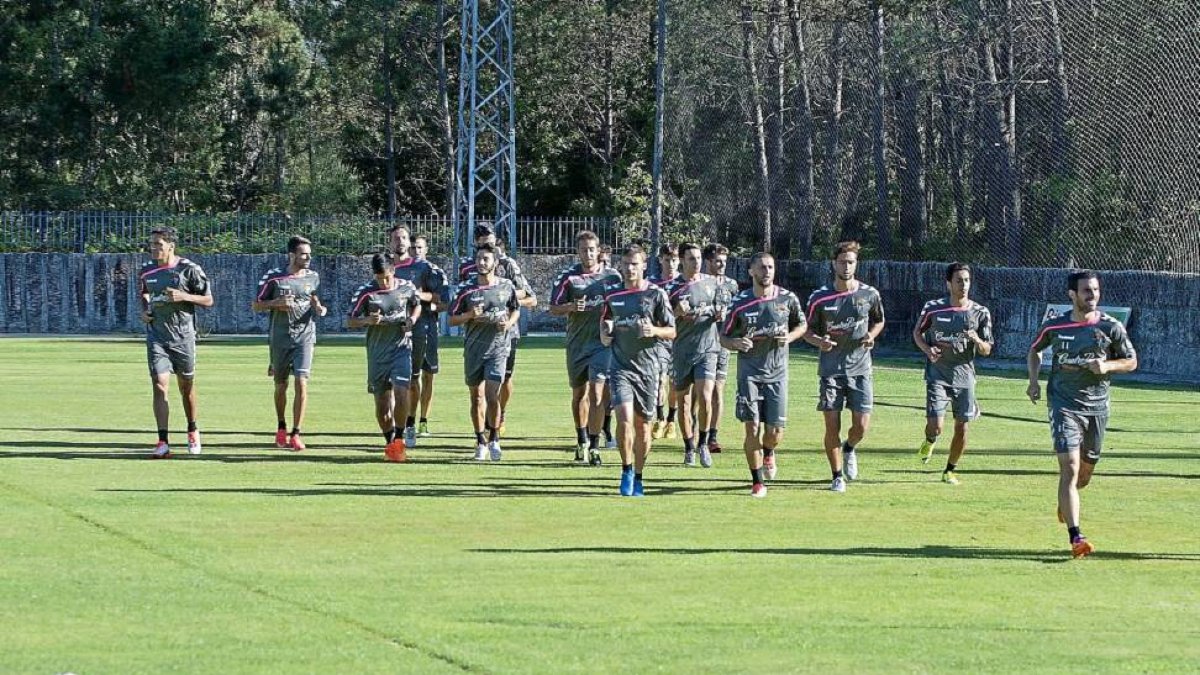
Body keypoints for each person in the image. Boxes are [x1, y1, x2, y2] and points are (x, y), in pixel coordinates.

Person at [1027, 270, 1137, 559]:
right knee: (1070, 468)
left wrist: (1107, 366)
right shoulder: (1055, 326)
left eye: (1096, 290)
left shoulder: (1110, 327)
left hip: (1097, 407)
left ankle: (1067, 502)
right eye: (1086, 290)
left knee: (1084, 475)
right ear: (1072, 295)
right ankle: (1076, 537)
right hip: (1063, 403)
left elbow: (1131, 361)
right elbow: (1035, 350)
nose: (1092, 295)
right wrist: (1034, 380)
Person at [720, 253, 806, 497]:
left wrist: (789, 337)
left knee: (774, 433)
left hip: (777, 374)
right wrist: (736, 343)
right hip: (749, 375)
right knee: (752, 428)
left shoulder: (787, 299)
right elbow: (723, 337)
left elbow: (802, 325)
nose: (767, 271)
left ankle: (769, 452)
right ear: (751, 272)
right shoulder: (740, 303)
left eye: (771, 267)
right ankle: (757, 481)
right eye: (762, 267)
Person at [803, 240, 885, 493]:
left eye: (851, 262)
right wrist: (819, 341)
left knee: (861, 426)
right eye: (842, 262)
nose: (847, 266)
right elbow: (805, 330)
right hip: (831, 372)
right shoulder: (819, 298)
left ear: (856, 264)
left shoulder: (869, 294)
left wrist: (872, 335)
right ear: (833, 264)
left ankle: (849, 448)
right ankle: (837, 475)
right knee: (831, 425)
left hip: (861, 369)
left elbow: (879, 321)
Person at [600, 244, 676, 496]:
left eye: (635, 264)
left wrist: (654, 331)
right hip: (620, 367)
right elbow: (605, 325)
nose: (630, 268)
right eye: (626, 264)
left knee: (643, 426)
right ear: (620, 266)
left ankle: (640, 477)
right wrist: (605, 333)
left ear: (644, 266)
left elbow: (671, 331)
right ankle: (626, 469)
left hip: (648, 369)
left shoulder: (656, 295)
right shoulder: (612, 296)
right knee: (624, 419)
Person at [912, 262, 993, 483]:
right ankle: (930, 440)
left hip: (965, 377)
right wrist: (928, 350)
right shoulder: (933, 308)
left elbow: (987, 349)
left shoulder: (980, 312)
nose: (964, 285)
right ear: (949, 284)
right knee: (936, 426)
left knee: (962, 427)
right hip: (937, 374)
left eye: (967, 280)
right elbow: (917, 333)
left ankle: (949, 470)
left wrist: (976, 340)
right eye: (959, 280)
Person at [139, 227, 214, 458]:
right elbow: (144, 293)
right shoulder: (147, 270)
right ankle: (163, 441)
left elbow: (209, 300)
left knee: (186, 388)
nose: (153, 248)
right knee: (160, 386)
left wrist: (184, 296)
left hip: (183, 337)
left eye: (158, 245)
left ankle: (192, 429)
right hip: (157, 337)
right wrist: (144, 311)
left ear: (171, 246)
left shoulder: (189, 270)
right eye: (151, 244)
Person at [456, 224, 537, 436]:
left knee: (504, 380)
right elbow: (461, 298)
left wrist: (501, 298)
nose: (488, 245)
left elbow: (530, 296)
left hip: (506, 333)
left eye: (491, 241)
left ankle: (500, 415)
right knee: (478, 392)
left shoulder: (508, 264)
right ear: (476, 243)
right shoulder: (467, 268)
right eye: (483, 242)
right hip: (476, 335)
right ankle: (482, 432)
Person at [549, 230, 622, 464]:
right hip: (576, 344)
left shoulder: (612, 278)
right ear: (578, 251)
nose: (588, 253)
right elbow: (553, 307)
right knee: (579, 394)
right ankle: (581, 438)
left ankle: (594, 446)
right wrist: (571, 306)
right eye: (583, 249)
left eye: (592, 249)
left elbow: (623, 303)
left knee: (597, 393)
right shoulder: (568, 277)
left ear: (598, 250)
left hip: (602, 344)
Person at [252, 235, 328, 451]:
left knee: (302, 382)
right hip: (280, 338)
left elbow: (313, 296)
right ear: (292, 255)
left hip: (305, 336)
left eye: (309, 253)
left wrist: (319, 308)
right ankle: (281, 427)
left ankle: (296, 432)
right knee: (281, 386)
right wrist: (276, 303)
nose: (308, 257)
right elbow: (256, 305)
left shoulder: (313, 276)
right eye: (304, 254)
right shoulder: (273, 278)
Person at [448, 244, 522, 461]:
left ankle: (495, 439)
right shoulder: (466, 289)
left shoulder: (506, 286)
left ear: (495, 263)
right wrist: (470, 315)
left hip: (498, 349)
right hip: (473, 350)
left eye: (486, 259)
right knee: (476, 397)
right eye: (479, 259)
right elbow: (452, 319)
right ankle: (480, 440)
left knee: (492, 395)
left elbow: (515, 309)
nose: (482, 263)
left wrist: (508, 323)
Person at [348, 252, 422, 463]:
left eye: (387, 277)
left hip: (401, 349)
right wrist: (367, 320)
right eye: (379, 278)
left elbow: (416, 304)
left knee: (401, 391)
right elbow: (350, 320)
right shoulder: (366, 292)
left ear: (393, 271)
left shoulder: (406, 286)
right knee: (382, 406)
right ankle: (389, 440)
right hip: (377, 354)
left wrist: (412, 319)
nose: (383, 282)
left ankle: (399, 440)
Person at [666, 242, 725, 468]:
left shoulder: (712, 284)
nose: (697, 262)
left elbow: (721, 309)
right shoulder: (672, 288)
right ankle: (689, 446)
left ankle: (703, 444)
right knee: (684, 402)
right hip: (682, 351)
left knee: (706, 395)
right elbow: (663, 319)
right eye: (691, 258)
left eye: (699, 258)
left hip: (708, 349)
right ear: (682, 261)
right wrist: (676, 312)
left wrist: (720, 314)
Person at [389, 225, 442, 448]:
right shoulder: (386, 266)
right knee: (397, 381)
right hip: (390, 334)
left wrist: (418, 296)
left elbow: (440, 298)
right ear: (390, 242)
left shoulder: (425, 269)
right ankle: (397, 426)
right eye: (396, 238)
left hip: (423, 329)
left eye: (404, 238)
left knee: (420, 377)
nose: (401, 242)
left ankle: (416, 421)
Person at [410, 235, 449, 437]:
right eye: (413, 247)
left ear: (426, 249)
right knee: (408, 377)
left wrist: (422, 297)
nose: (416, 251)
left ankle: (423, 420)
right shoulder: (397, 270)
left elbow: (444, 301)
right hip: (404, 330)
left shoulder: (434, 271)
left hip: (427, 328)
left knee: (428, 375)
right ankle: (407, 420)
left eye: (419, 247)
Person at [703, 243, 739, 454]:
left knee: (717, 390)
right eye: (717, 261)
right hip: (699, 344)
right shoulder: (698, 283)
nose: (721, 265)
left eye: (724, 261)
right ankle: (698, 433)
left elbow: (737, 314)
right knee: (700, 393)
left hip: (722, 344)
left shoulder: (731, 285)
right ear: (708, 261)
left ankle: (712, 436)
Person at [649, 244, 681, 440]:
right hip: (658, 339)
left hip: (679, 339)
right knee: (659, 380)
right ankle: (659, 418)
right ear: (660, 259)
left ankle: (671, 420)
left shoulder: (683, 283)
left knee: (675, 382)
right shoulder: (651, 283)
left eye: (674, 259)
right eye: (667, 259)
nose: (671, 263)